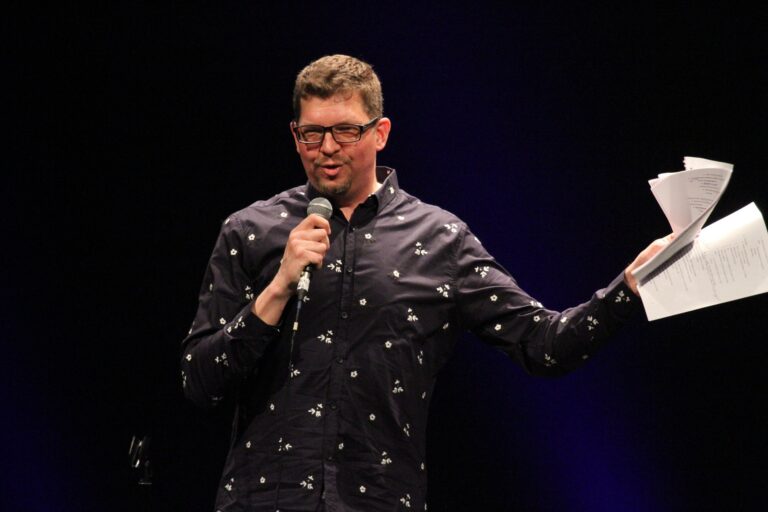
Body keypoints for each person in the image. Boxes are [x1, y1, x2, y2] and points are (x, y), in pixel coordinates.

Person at [181, 54, 669, 512]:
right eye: (312, 134)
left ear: (381, 133)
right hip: (262, 498)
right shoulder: (250, 230)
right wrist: (279, 286)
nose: (327, 148)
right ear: (295, 135)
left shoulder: (439, 239)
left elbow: (544, 345)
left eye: (346, 131)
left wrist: (626, 289)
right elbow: (200, 382)